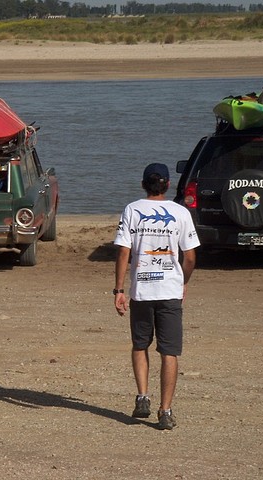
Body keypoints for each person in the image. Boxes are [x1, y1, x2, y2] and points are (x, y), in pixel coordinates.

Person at [113, 163, 200, 430]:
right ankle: (165, 411)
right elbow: (190, 256)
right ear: (168, 185)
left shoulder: (132, 209)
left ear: (143, 185)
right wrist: (182, 281)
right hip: (169, 291)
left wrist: (118, 289)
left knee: (140, 344)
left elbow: (124, 252)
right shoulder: (180, 212)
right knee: (169, 351)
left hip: (141, 289)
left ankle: (142, 396)